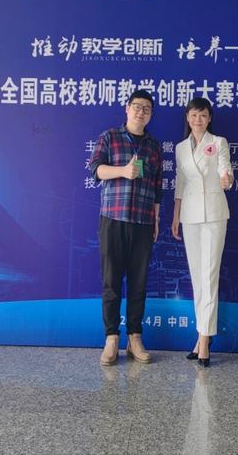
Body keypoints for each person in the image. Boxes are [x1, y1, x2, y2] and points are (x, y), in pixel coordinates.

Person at [89, 90, 163, 366]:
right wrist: (122, 171)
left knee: (138, 284)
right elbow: (95, 170)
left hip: (144, 222)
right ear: (127, 108)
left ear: (150, 114)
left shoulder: (154, 146)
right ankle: (111, 339)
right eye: (137, 107)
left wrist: (156, 220)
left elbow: (157, 188)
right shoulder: (110, 137)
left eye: (147, 109)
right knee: (111, 283)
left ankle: (135, 339)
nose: (141, 112)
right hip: (113, 219)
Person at [171, 97, 233, 367]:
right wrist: (176, 216)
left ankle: (204, 339)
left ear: (209, 118)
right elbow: (180, 182)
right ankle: (202, 335)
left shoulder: (218, 142)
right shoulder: (180, 148)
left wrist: (227, 178)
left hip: (214, 215)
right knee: (197, 278)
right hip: (189, 216)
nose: (198, 120)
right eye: (194, 115)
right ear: (187, 117)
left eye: (203, 115)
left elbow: (225, 170)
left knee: (209, 276)